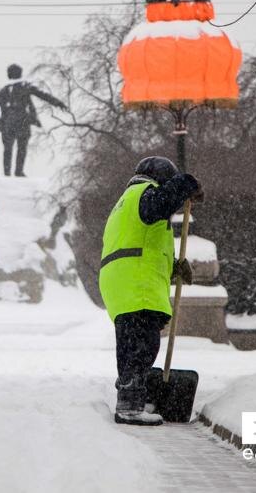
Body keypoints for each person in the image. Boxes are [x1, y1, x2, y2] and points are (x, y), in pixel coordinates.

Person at [98, 156, 201, 426]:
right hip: (137, 282)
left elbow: (141, 241)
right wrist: (186, 183)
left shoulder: (125, 203)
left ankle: (130, 400)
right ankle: (130, 407)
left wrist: (172, 267)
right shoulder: (145, 193)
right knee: (142, 345)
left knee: (131, 346)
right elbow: (161, 203)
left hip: (121, 282)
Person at [0, 64, 67, 177]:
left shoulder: (1, 90)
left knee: (7, 149)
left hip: (7, 125)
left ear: (9, 75)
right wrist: (58, 103)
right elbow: (42, 95)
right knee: (21, 148)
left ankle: (7, 173)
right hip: (22, 123)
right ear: (19, 74)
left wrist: (0, 124)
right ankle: (18, 171)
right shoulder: (24, 86)